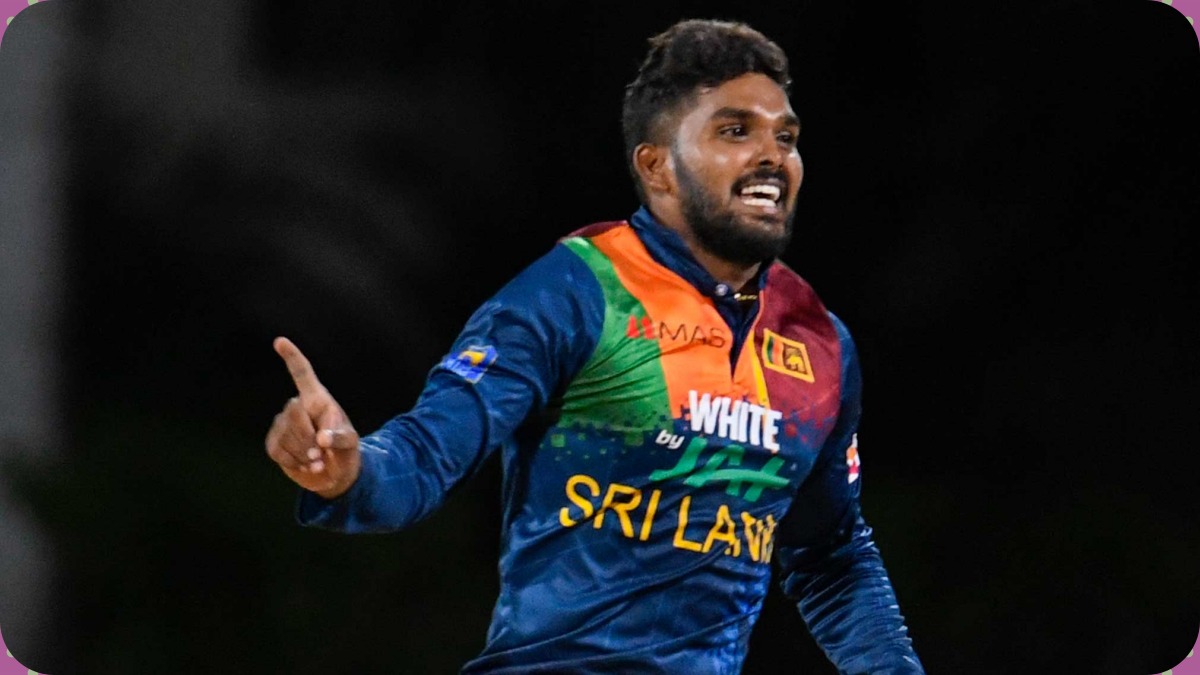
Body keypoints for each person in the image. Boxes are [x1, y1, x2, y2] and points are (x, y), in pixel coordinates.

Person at [265, 18, 924, 674]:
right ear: (658, 167)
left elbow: (832, 555)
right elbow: (430, 452)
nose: (772, 157)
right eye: (735, 131)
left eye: (786, 137)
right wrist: (353, 470)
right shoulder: (576, 292)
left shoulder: (820, 343)